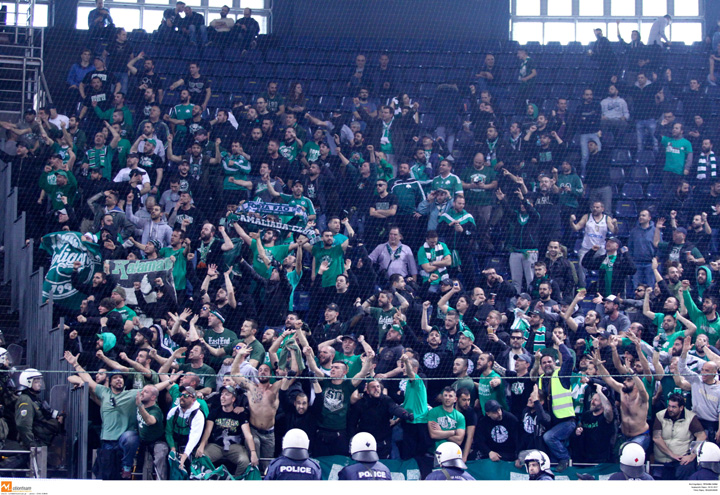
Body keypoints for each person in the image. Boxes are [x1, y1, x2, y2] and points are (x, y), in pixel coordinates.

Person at [592, 350, 651, 449]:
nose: (624, 382)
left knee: (631, 454)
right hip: (624, 435)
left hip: (640, 436)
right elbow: (608, 379)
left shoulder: (642, 397)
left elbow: (642, 389)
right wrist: (599, 365)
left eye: (628, 380)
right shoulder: (622, 391)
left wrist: (633, 374)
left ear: (635, 385)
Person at [195, 385, 258, 477]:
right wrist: (201, 446)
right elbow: (207, 431)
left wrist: (253, 452)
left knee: (244, 461)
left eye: (227, 394)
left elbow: (248, 435)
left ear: (233, 399)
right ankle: (211, 478)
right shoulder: (215, 412)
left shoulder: (240, 414)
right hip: (216, 446)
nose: (222, 397)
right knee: (201, 457)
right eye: (222, 394)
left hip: (234, 447)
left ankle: (235, 480)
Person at [535, 332, 575, 471]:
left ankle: (565, 458)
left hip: (567, 421)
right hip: (553, 422)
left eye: (549, 362)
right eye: (544, 363)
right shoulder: (541, 379)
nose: (547, 364)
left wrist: (559, 343)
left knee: (549, 437)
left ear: (555, 363)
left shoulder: (561, 375)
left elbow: (569, 359)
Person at [652, 393, 707, 480]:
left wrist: (692, 455)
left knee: (687, 469)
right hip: (662, 459)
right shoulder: (660, 415)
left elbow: (702, 436)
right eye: (669, 406)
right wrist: (672, 454)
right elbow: (656, 438)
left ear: (681, 408)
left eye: (674, 407)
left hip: (681, 459)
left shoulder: (690, 417)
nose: (670, 409)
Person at [165, 386, 206, 471]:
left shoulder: (198, 415)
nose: (182, 397)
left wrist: (185, 454)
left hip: (191, 445)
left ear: (193, 400)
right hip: (175, 443)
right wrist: (172, 448)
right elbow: (168, 432)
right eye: (181, 395)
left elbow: (194, 437)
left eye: (186, 395)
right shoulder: (173, 411)